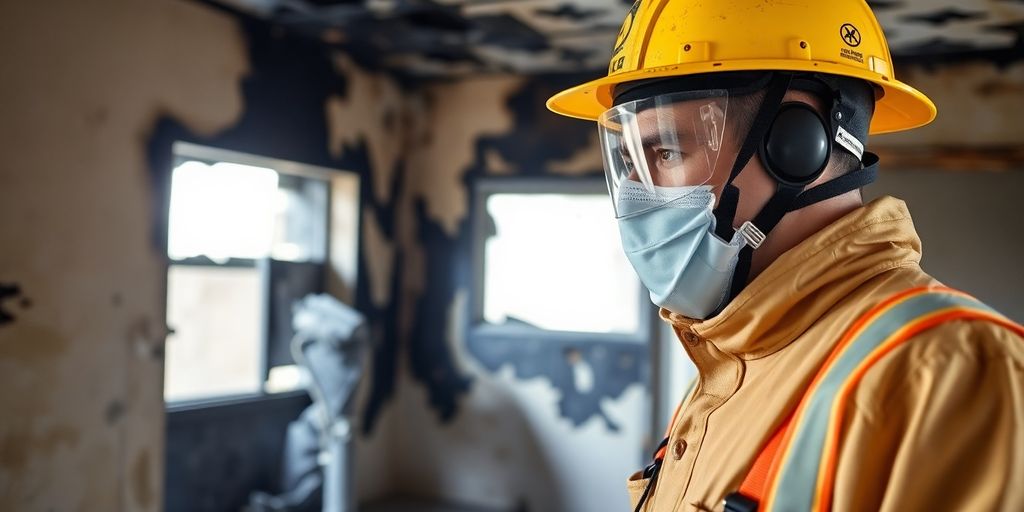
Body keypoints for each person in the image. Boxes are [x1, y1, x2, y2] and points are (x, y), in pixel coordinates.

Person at [546, 1, 1024, 511]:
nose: (638, 192)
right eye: (632, 161)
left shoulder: (951, 372)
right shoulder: (734, 357)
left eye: (666, 153)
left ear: (796, 142)